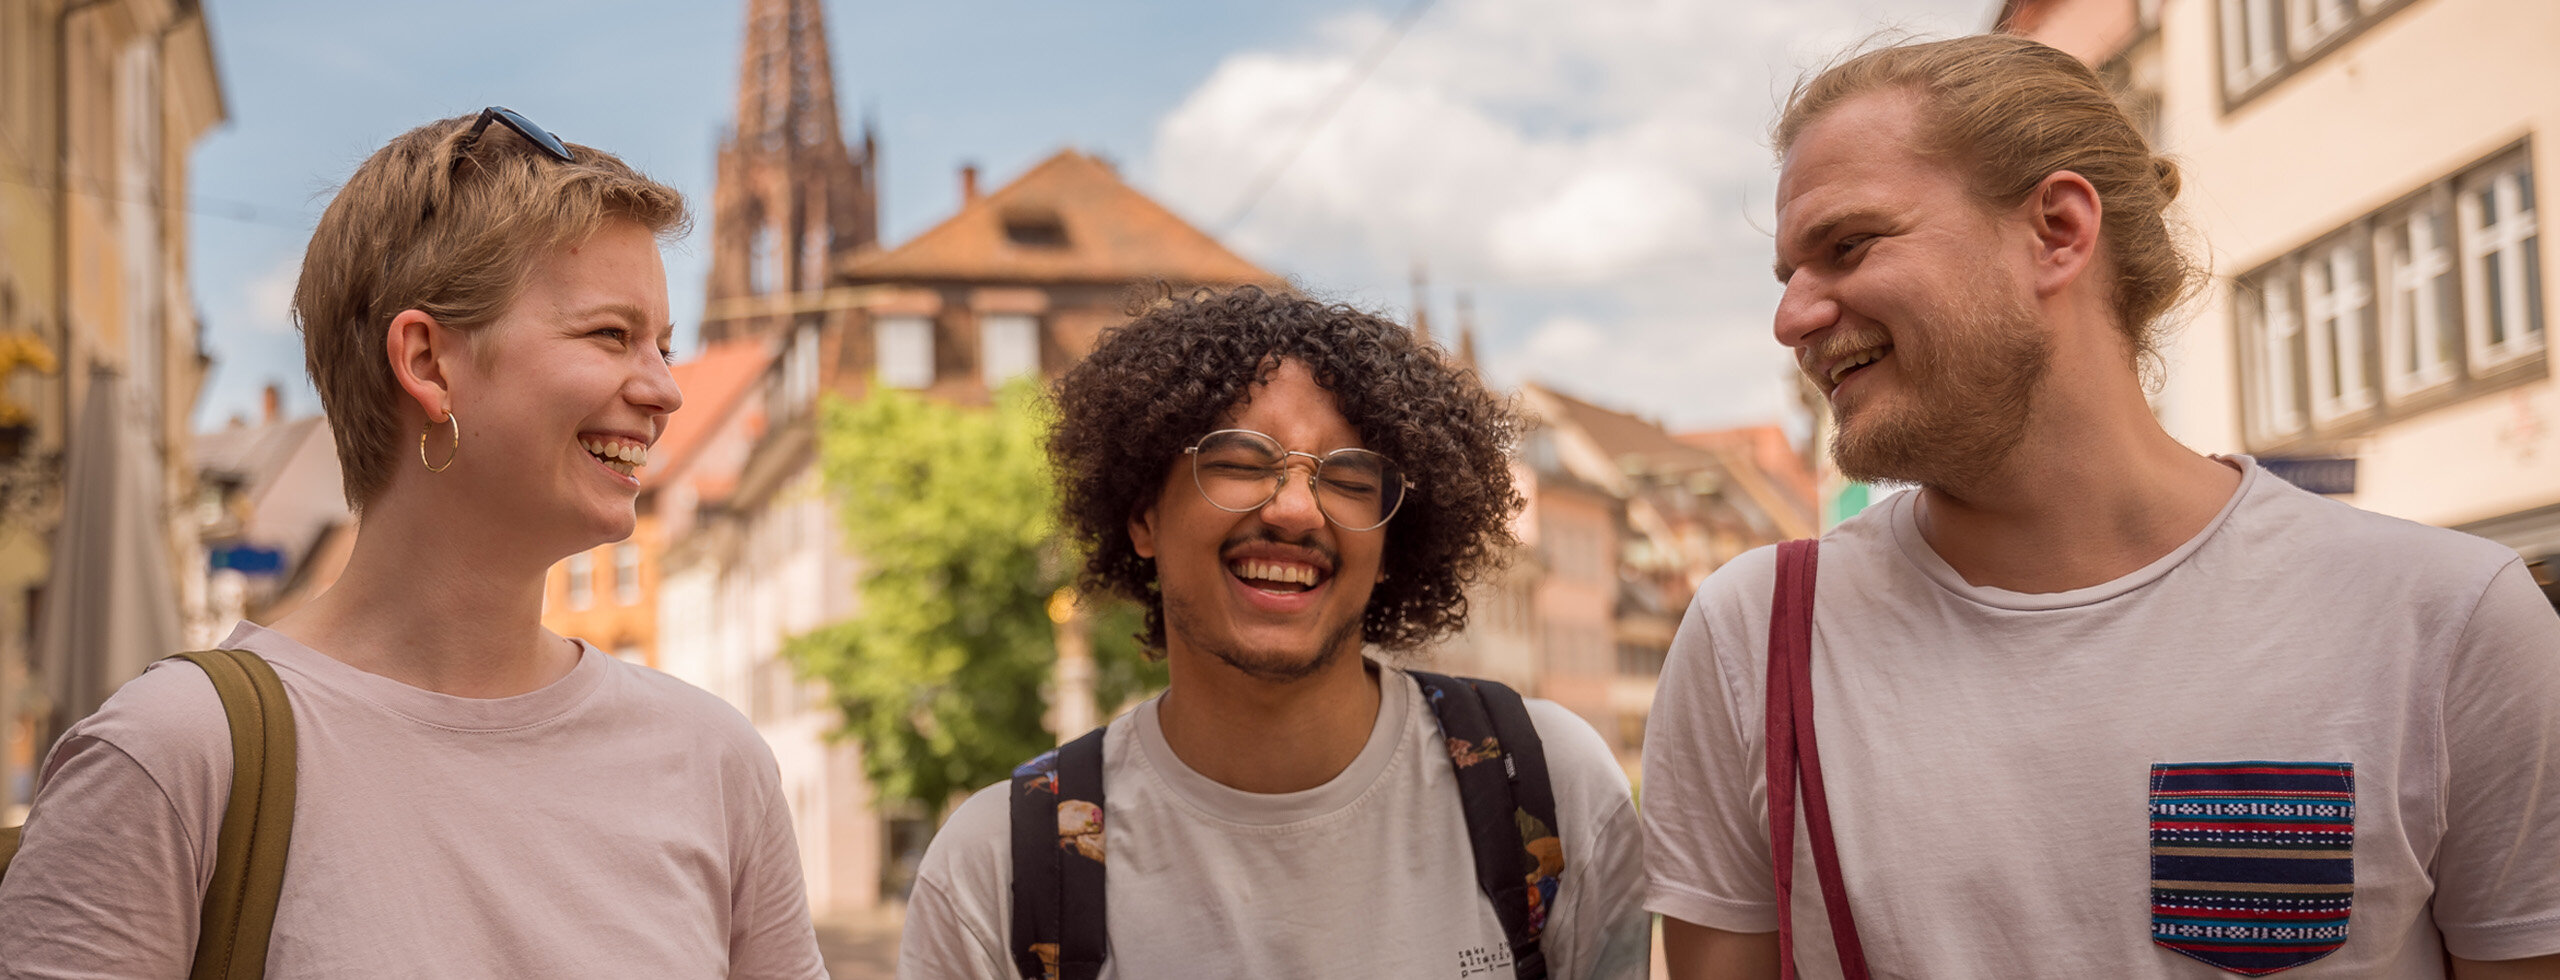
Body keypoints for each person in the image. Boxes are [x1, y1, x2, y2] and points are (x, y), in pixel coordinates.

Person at [1641, 34, 2560, 979]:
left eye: (1848, 246)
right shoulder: (1751, 637)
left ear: (2058, 231)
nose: (1792, 318)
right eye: (1788, 275)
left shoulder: (2447, 621)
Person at [0, 108, 825, 977]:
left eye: (662, 345)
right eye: (611, 336)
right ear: (428, 362)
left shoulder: (714, 762)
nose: (665, 390)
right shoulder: (172, 756)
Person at [896, 287, 1649, 978]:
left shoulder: (1547, 788)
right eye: (1238, 461)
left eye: (1352, 479)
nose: (1296, 510)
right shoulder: (997, 870)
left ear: (1394, 546)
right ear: (1142, 515)